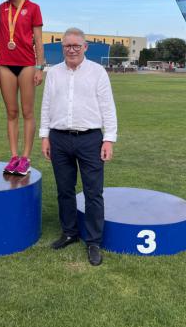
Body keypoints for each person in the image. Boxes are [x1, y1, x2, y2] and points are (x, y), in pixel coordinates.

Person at [39, 27, 117, 266]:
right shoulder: (53, 73)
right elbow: (46, 106)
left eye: (75, 45)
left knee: (93, 192)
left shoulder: (97, 72)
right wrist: (45, 136)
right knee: (65, 190)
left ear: (85, 47)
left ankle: (93, 241)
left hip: (90, 139)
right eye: (67, 46)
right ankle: (70, 232)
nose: (71, 49)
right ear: (62, 47)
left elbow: (108, 107)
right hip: (59, 138)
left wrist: (109, 138)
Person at [0, 0, 45, 176]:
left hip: (26, 64)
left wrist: (39, 67)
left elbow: (39, 41)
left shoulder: (33, 8)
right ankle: (14, 156)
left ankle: (25, 157)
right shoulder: (0, 9)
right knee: (11, 113)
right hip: (5, 64)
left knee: (27, 112)